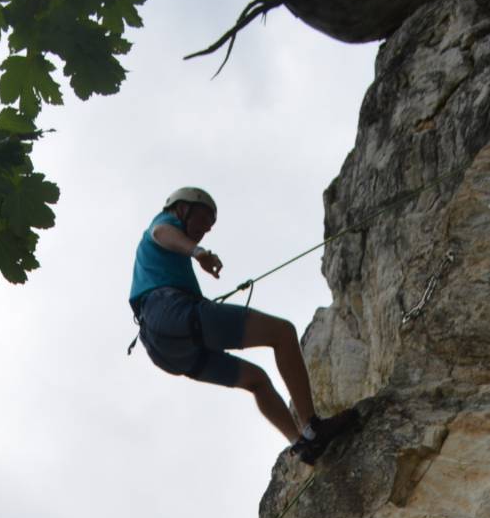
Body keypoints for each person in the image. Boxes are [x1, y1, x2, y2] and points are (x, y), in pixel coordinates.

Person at [129, 185, 358, 462]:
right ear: (182, 208)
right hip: (172, 313)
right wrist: (197, 251)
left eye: (210, 225)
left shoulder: (162, 263)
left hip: (167, 349)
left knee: (257, 380)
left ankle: (302, 445)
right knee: (283, 333)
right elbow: (161, 233)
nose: (206, 228)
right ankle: (312, 425)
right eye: (203, 219)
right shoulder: (163, 224)